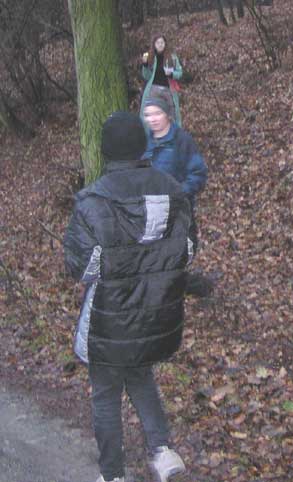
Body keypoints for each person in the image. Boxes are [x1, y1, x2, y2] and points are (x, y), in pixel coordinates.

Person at [64, 112, 192, 482]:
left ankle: (113, 475)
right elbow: (187, 251)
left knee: (105, 394)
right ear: (142, 146)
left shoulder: (92, 200)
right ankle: (163, 452)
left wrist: (119, 264)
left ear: (105, 150)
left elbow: (83, 267)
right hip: (154, 314)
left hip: (110, 318)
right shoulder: (174, 191)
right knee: (139, 375)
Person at [142, 96, 212, 297]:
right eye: (148, 115)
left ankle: (195, 287)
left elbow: (198, 173)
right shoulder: (143, 143)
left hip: (179, 212)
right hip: (151, 213)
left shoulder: (182, 141)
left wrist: (180, 193)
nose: (153, 119)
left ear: (167, 114)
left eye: (157, 113)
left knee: (177, 257)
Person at [140, 34, 183, 126]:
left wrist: (171, 74)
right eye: (158, 43)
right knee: (151, 113)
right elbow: (146, 76)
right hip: (153, 90)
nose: (160, 45)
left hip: (168, 90)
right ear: (154, 44)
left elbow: (179, 73)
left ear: (165, 44)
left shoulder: (172, 57)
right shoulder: (150, 57)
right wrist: (145, 65)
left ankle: (173, 132)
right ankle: (150, 133)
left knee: (172, 114)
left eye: (162, 42)